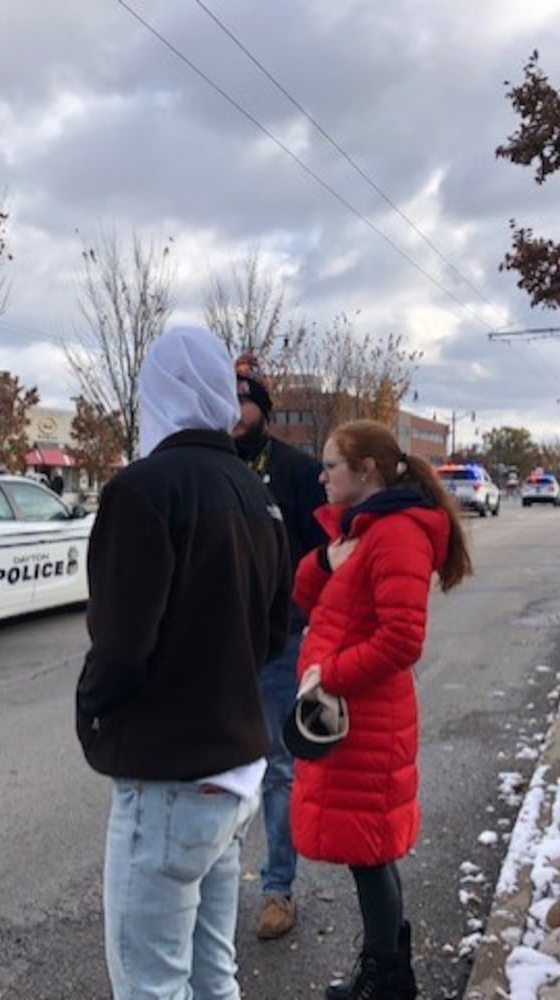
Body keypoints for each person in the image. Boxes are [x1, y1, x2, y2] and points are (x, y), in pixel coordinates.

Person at [75, 325, 292, 1000]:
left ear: (158, 394)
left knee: (150, 984)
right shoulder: (257, 494)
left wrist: (94, 711)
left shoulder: (142, 489)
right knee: (209, 974)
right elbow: (271, 637)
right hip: (233, 774)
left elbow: (119, 643)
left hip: (166, 776)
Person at [289, 420, 472, 1000]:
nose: (321, 476)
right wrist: (325, 559)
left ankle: (386, 979)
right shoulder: (364, 532)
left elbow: (401, 639)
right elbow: (304, 595)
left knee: (369, 851)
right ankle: (386, 972)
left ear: (367, 469)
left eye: (331, 465)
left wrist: (330, 675)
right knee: (367, 848)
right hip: (354, 716)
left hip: (364, 716)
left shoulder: (395, 535)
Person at [231, 352, 328, 941]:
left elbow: (326, 553)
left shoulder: (296, 470)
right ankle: (209, 886)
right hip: (218, 642)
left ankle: (277, 889)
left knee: (276, 769)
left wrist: (306, 612)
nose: (234, 413)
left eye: (244, 401)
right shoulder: (211, 462)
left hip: (279, 640)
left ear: (263, 409)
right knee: (214, 764)